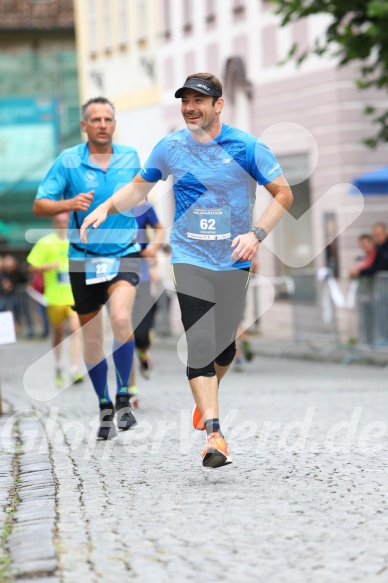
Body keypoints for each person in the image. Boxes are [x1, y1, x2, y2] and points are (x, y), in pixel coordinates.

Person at [80, 73, 293, 467]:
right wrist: (106, 207)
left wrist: (257, 234)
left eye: (199, 100)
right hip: (189, 256)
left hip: (233, 257)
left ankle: (204, 397)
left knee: (224, 345)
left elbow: (284, 193)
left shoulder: (247, 147)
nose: (190, 107)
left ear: (219, 105)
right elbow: (139, 188)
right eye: (185, 100)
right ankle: (215, 434)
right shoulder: (171, 147)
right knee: (199, 340)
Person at [33, 97, 141, 440]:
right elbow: (39, 205)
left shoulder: (130, 157)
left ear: (113, 123)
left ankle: (124, 395)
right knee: (92, 339)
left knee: (122, 319)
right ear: (84, 126)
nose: (102, 124)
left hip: (124, 251)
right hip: (83, 258)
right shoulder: (68, 161)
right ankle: (105, 405)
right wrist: (68, 203)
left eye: (108, 118)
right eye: (95, 119)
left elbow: (140, 195)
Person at [27, 213, 83, 387]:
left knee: (75, 329)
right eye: (59, 221)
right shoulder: (45, 242)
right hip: (54, 297)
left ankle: (74, 369)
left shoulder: (77, 241)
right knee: (58, 332)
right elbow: (31, 267)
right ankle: (59, 365)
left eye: (65, 222)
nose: (62, 224)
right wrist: (45, 267)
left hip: (74, 296)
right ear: (54, 222)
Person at [128, 199, 165, 406]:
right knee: (124, 334)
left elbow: (159, 230)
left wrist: (153, 247)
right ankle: (130, 389)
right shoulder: (107, 201)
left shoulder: (143, 205)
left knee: (141, 335)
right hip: (115, 277)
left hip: (141, 277)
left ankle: (143, 353)